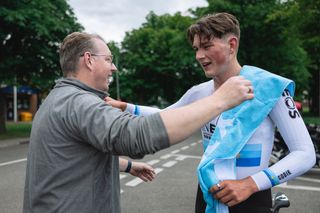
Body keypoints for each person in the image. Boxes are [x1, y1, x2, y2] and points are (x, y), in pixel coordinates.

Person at [106, 13, 316, 213]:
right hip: (208, 193)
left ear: (231, 45)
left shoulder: (269, 88)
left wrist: (251, 184)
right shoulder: (199, 92)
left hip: (252, 195)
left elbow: (305, 154)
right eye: (196, 48)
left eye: (207, 46)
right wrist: (125, 107)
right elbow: (165, 116)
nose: (198, 56)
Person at [22, 32, 253, 213]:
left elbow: (74, 156)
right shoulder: (79, 103)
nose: (114, 67)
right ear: (89, 60)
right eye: (109, 59)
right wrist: (219, 101)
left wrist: (128, 166)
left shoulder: (58, 98)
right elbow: (136, 136)